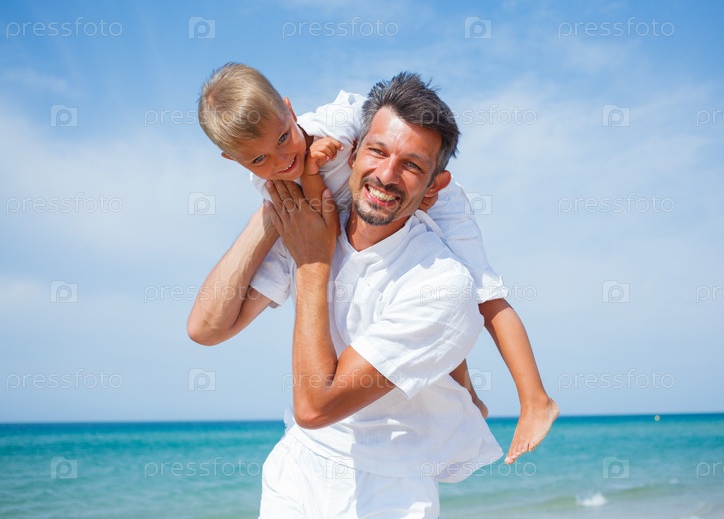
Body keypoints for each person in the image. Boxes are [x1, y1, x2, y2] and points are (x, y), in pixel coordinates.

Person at [189, 63, 558, 464]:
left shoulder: (335, 123)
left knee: (481, 292)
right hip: (344, 212)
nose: (281, 159)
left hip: (417, 202)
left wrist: (350, 156)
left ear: (291, 111)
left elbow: (381, 129)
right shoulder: (280, 192)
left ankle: (534, 398)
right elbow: (204, 329)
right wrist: (277, 206)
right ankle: (468, 395)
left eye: (283, 138)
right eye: (260, 158)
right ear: (232, 160)